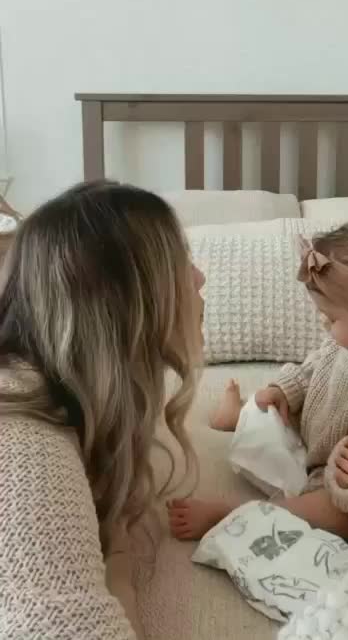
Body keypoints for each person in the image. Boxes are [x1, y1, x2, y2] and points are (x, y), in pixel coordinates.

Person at [169, 213, 348, 542]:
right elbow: (314, 369)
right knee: (266, 412)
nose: (323, 323)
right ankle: (239, 415)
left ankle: (235, 516)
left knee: (341, 518)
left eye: (332, 318)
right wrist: (284, 390)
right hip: (317, 445)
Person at [0, 181, 205, 640]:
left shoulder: (58, 398)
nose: (199, 278)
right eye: (181, 261)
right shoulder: (24, 439)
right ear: (125, 302)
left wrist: (117, 564)